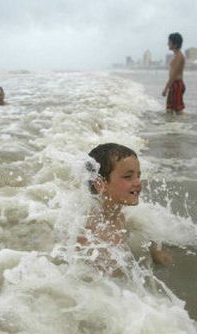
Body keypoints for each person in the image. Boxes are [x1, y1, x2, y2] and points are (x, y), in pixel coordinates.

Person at [78, 143, 173, 276]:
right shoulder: (91, 234)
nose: (138, 183)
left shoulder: (119, 215)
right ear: (100, 184)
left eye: (138, 176)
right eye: (128, 177)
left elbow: (142, 230)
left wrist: (156, 253)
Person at [162, 32, 186, 114]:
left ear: (175, 44)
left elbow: (173, 75)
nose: (167, 44)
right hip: (174, 85)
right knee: (169, 110)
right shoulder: (176, 56)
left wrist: (165, 88)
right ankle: (172, 126)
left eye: (169, 42)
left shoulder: (179, 56)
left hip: (176, 85)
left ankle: (182, 126)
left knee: (178, 111)